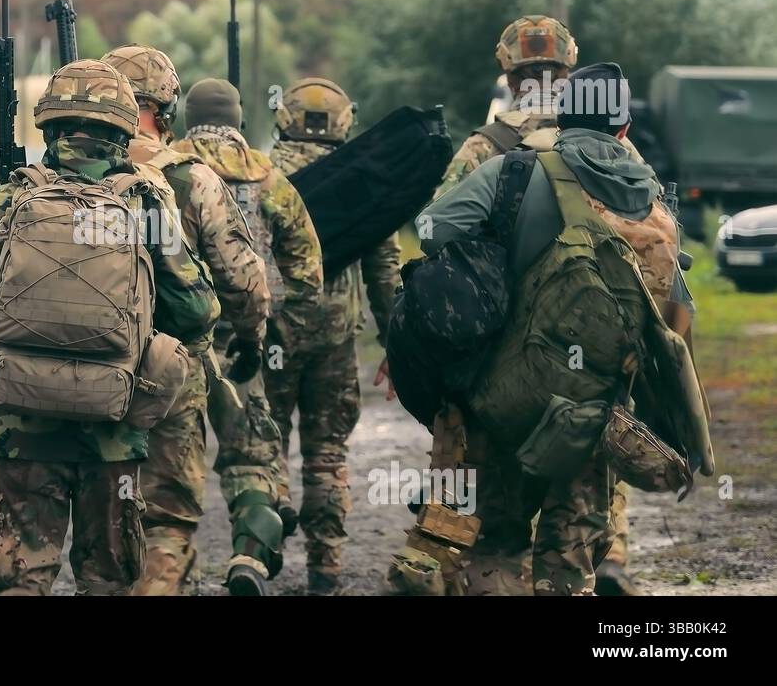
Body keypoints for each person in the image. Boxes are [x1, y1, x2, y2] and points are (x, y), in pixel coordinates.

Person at [0, 59, 220, 595]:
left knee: (17, 575)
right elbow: (198, 311)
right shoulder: (147, 200)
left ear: (50, 125)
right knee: (107, 581)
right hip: (111, 431)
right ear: (123, 128)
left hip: (20, 428)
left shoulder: (11, 197)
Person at [415, 62, 689, 595]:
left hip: (507, 393)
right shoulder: (653, 201)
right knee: (570, 558)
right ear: (625, 128)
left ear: (559, 118)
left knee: (496, 543)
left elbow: (429, 231)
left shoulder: (513, 171)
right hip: (596, 411)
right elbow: (675, 314)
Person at [102, 44, 286, 596]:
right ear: (164, 106)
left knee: (98, 523)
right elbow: (246, 284)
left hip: (78, 369)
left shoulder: (60, 174)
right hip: (169, 370)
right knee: (165, 519)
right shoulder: (188, 177)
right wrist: (250, 342)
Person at [170, 77, 325, 594]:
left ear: (187, 117)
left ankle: (168, 568)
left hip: (175, 340)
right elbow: (306, 265)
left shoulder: (163, 170)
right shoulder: (268, 176)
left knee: (167, 457)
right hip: (244, 339)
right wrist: (279, 321)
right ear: (238, 118)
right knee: (252, 453)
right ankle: (250, 556)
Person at [266, 77, 402, 595]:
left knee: (266, 443)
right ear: (345, 120)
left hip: (272, 331)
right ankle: (326, 570)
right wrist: (395, 342)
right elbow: (384, 267)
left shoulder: (262, 172)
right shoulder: (364, 177)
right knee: (327, 453)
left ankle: (263, 538)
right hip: (335, 335)